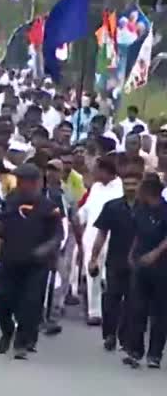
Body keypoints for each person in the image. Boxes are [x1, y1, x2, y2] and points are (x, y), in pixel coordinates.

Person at [0, 163, 63, 359]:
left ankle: (22, 343)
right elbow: (1, 228)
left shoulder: (49, 207)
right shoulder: (10, 202)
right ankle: (7, 331)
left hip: (36, 264)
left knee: (30, 304)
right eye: (19, 181)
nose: (20, 185)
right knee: (3, 301)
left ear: (35, 183)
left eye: (23, 181)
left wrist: (47, 250)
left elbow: (58, 235)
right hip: (10, 260)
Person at [88, 169, 141, 352]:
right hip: (115, 260)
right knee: (112, 299)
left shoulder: (147, 208)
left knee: (133, 302)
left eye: (134, 184)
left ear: (140, 185)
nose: (131, 188)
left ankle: (125, 338)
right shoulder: (112, 207)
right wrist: (93, 258)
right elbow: (102, 233)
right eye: (127, 184)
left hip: (138, 263)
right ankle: (109, 334)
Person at [123, 174, 167, 369]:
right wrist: (131, 253)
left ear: (149, 192)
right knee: (137, 308)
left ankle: (155, 354)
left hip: (162, 267)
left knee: (160, 312)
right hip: (141, 264)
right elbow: (137, 233)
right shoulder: (140, 210)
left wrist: (155, 254)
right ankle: (135, 351)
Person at [79, 155, 123, 325]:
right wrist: (77, 216)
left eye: (97, 169)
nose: (94, 172)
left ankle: (114, 311)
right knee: (93, 273)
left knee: (111, 276)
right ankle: (94, 312)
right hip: (91, 236)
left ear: (105, 171)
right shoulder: (96, 187)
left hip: (112, 236)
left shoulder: (119, 188)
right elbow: (87, 209)